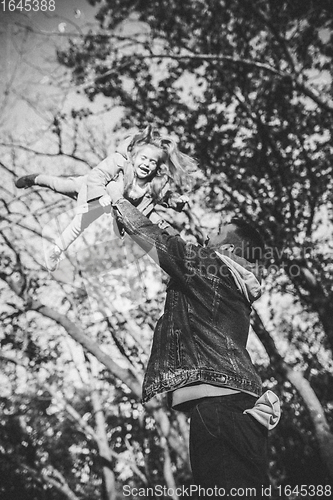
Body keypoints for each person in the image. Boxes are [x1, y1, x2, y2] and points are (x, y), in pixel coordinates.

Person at [105, 180, 280, 498]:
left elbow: (162, 244)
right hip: (231, 407)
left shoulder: (211, 268)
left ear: (226, 249)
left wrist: (118, 198)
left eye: (216, 232)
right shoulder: (222, 284)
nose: (207, 236)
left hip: (221, 410)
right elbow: (170, 245)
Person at [15, 126, 196, 271]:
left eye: (152, 162)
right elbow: (97, 175)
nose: (146, 165)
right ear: (134, 156)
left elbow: (163, 196)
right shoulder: (119, 162)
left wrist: (176, 201)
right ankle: (35, 180)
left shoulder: (152, 184)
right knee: (61, 187)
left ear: (157, 167)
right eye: (143, 158)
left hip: (109, 206)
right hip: (91, 189)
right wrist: (101, 195)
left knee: (100, 226)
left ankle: (181, 250)